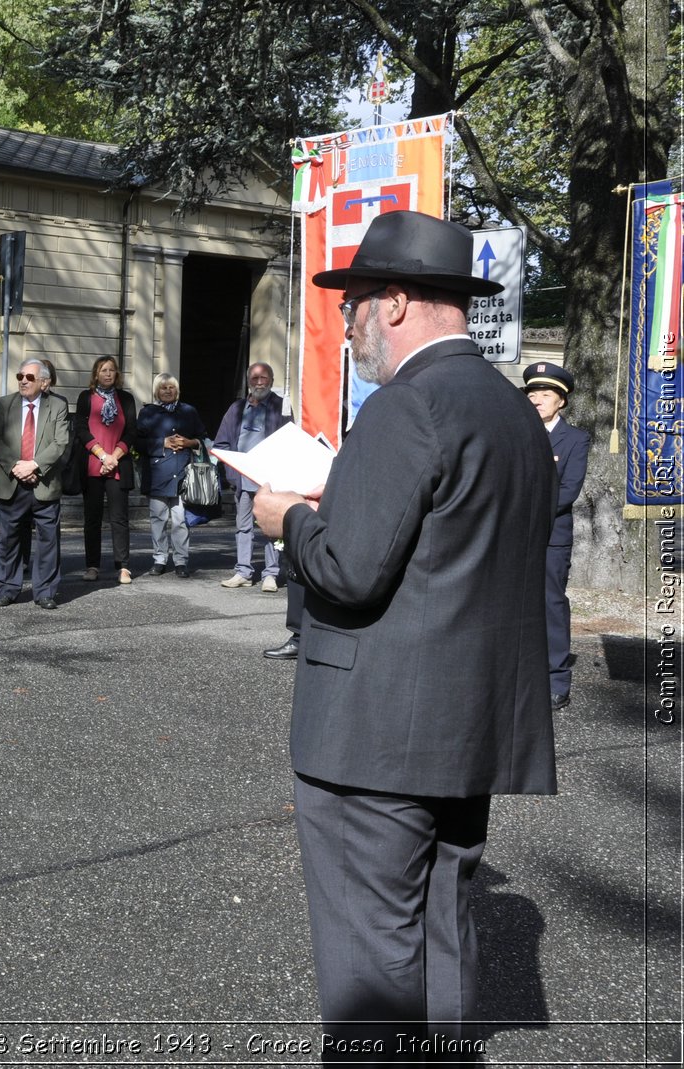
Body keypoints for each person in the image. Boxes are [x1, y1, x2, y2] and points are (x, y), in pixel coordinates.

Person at [254, 209, 557, 1056]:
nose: (348, 331)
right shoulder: (513, 414)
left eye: (350, 309)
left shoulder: (406, 405)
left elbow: (351, 569)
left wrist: (287, 520)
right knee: (445, 935)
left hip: (375, 736)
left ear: (391, 301)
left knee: (371, 961)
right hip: (468, 728)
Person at [523, 362, 589, 710]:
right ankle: (518, 676)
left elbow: (568, 491)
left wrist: (524, 513)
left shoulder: (575, 439)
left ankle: (556, 679)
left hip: (550, 536)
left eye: (545, 395)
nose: (537, 400)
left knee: (549, 605)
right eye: (532, 394)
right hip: (511, 535)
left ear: (561, 401)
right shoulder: (515, 432)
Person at [0, 358, 70, 608]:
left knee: (48, 540)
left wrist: (33, 465)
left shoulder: (57, 405)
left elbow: (60, 443)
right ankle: (7, 588)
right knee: (10, 538)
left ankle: (44, 591)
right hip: (12, 481)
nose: (24, 381)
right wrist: (17, 466)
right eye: (20, 376)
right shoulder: (4, 404)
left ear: (44, 382)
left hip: (44, 483)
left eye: (30, 377)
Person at [214, 361, 289, 591]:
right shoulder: (236, 409)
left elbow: (290, 440)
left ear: (271, 381)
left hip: (270, 480)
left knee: (271, 528)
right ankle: (243, 572)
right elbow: (222, 443)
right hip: (243, 479)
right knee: (243, 527)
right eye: (255, 378)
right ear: (248, 381)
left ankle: (271, 574)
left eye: (263, 378)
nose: (259, 382)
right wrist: (232, 474)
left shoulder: (281, 406)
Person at [70, 355, 137, 584]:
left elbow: (131, 431)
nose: (108, 374)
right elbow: (80, 428)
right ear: (95, 374)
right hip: (92, 466)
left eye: (111, 370)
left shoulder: (126, 399)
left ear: (116, 374)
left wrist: (114, 456)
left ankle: (123, 566)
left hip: (118, 465)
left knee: (119, 518)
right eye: (103, 370)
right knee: (92, 519)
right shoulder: (85, 397)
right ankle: (92, 565)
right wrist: (101, 455)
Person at [136, 373, 205, 579]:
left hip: (183, 474)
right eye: (163, 387)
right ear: (157, 391)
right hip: (157, 473)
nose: (167, 391)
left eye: (171, 387)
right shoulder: (148, 412)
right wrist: (162, 443)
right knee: (158, 518)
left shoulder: (189, 411)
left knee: (180, 520)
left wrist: (190, 442)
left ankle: (181, 560)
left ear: (177, 390)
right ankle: (159, 558)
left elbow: (202, 437)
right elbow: (137, 443)